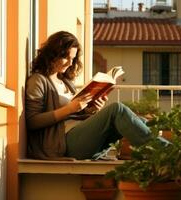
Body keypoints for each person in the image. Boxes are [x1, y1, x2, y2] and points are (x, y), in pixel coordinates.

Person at [25, 31, 152, 160]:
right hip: (62, 144)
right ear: (52, 54)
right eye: (66, 57)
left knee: (139, 121)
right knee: (117, 109)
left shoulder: (65, 82)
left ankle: (160, 154)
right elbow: (32, 121)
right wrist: (69, 109)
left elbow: (74, 114)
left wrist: (90, 110)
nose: (70, 63)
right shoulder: (38, 80)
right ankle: (165, 153)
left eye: (73, 59)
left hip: (79, 136)